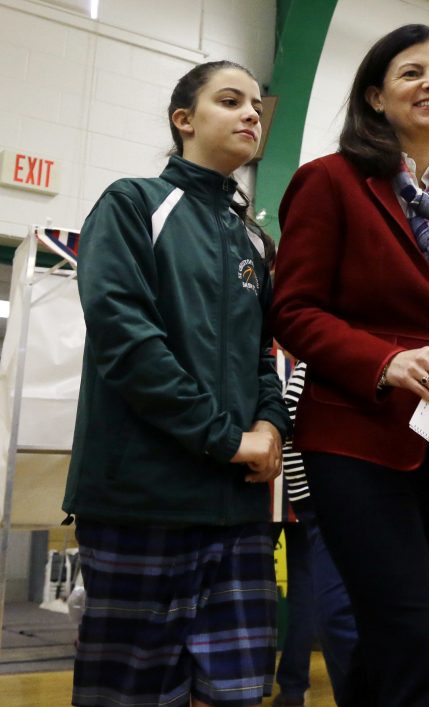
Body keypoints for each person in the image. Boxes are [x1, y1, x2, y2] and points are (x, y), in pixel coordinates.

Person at [270, 24, 429, 706]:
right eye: (412, 73)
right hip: (353, 443)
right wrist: (385, 360)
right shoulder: (327, 183)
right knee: (418, 644)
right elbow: (292, 311)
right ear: (376, 98)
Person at [62, 61, 291, 707]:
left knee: (241, 692)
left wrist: (271, 426)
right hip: (144, 503)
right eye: (230, 100)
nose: (251, 113)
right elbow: (126, 341)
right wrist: (226, 439)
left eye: (256, 103)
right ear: (183, 119)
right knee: (130, 694)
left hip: (238, 512)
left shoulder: (252, 238)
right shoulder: (133, 202)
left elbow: (260, 355)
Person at [271, 362, 358, 706]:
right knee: (329, 609)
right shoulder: (308, 357)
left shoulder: (328, 350)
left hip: (333, 504)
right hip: (315, 506)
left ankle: (294, 686)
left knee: (336, 613)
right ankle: (294, 686)